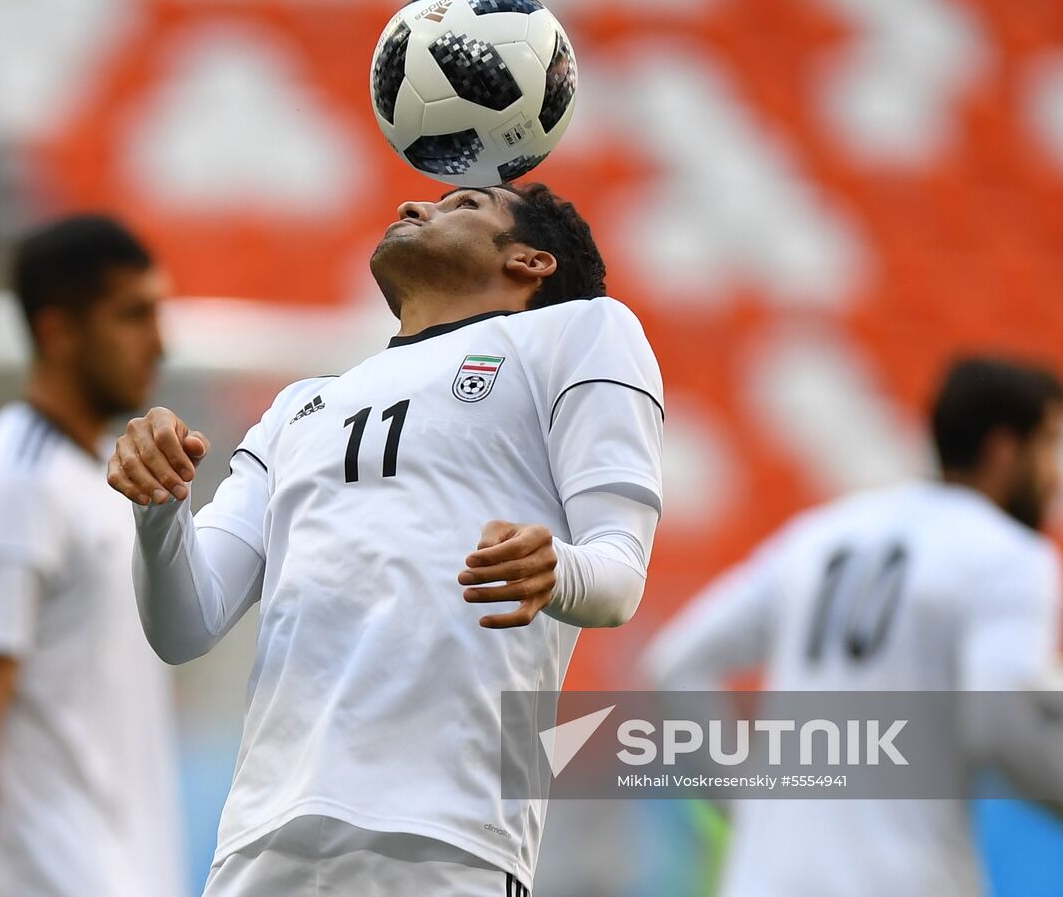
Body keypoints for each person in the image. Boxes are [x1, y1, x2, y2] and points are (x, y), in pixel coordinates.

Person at [108, 183, 665, 896]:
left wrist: (556, 571)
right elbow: (185, 625)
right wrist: (158, 509)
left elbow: (619, 573)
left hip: (447, 833)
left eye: (465, 205)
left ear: (531, 260)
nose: (414, 207)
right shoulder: (296, 407)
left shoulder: (580, 332)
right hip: (263, 835)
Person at [642, 355, 1063, 897]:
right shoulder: (1012, 557)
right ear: (1003, 450)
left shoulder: (822, 533)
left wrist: (744, 803)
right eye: (1052, 447)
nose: (1060, 479)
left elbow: (674, 664)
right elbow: (998, 722)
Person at [0, 216, 184, 897]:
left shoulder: (103, 472)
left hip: (125, 867)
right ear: (58, 332)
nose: (161, 343)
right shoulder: (8, 481)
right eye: (134, 315)